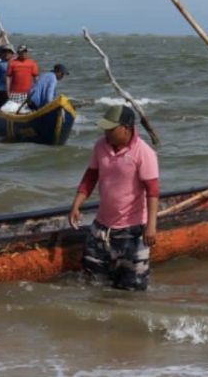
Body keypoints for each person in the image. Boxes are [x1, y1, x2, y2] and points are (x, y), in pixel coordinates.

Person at [68, 105, 159, 291]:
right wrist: (76, 205)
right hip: (101, 228)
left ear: (126, 128)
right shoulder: (100, 146)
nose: (106, 133)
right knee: (92, 284)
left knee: (132, 289)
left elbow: (152, 191)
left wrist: (151, 226)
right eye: (105, 128)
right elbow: (90, 176)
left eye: (111, 129)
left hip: (132, 231)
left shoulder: (144, 153)